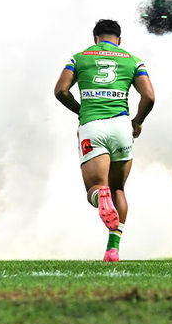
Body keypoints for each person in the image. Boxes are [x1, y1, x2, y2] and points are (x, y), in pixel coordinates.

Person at [53, 19, 155, 262]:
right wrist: (137, 121)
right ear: (119, 39)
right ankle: (113, 249)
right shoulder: (133, 60)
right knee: (118, 188)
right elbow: (149, 96)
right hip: (121, 127)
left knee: (96, 188)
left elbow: (60, 91)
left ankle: (101, 198)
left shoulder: (79, 58)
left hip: (92, 126)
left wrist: (80, 110)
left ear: (95, 38)